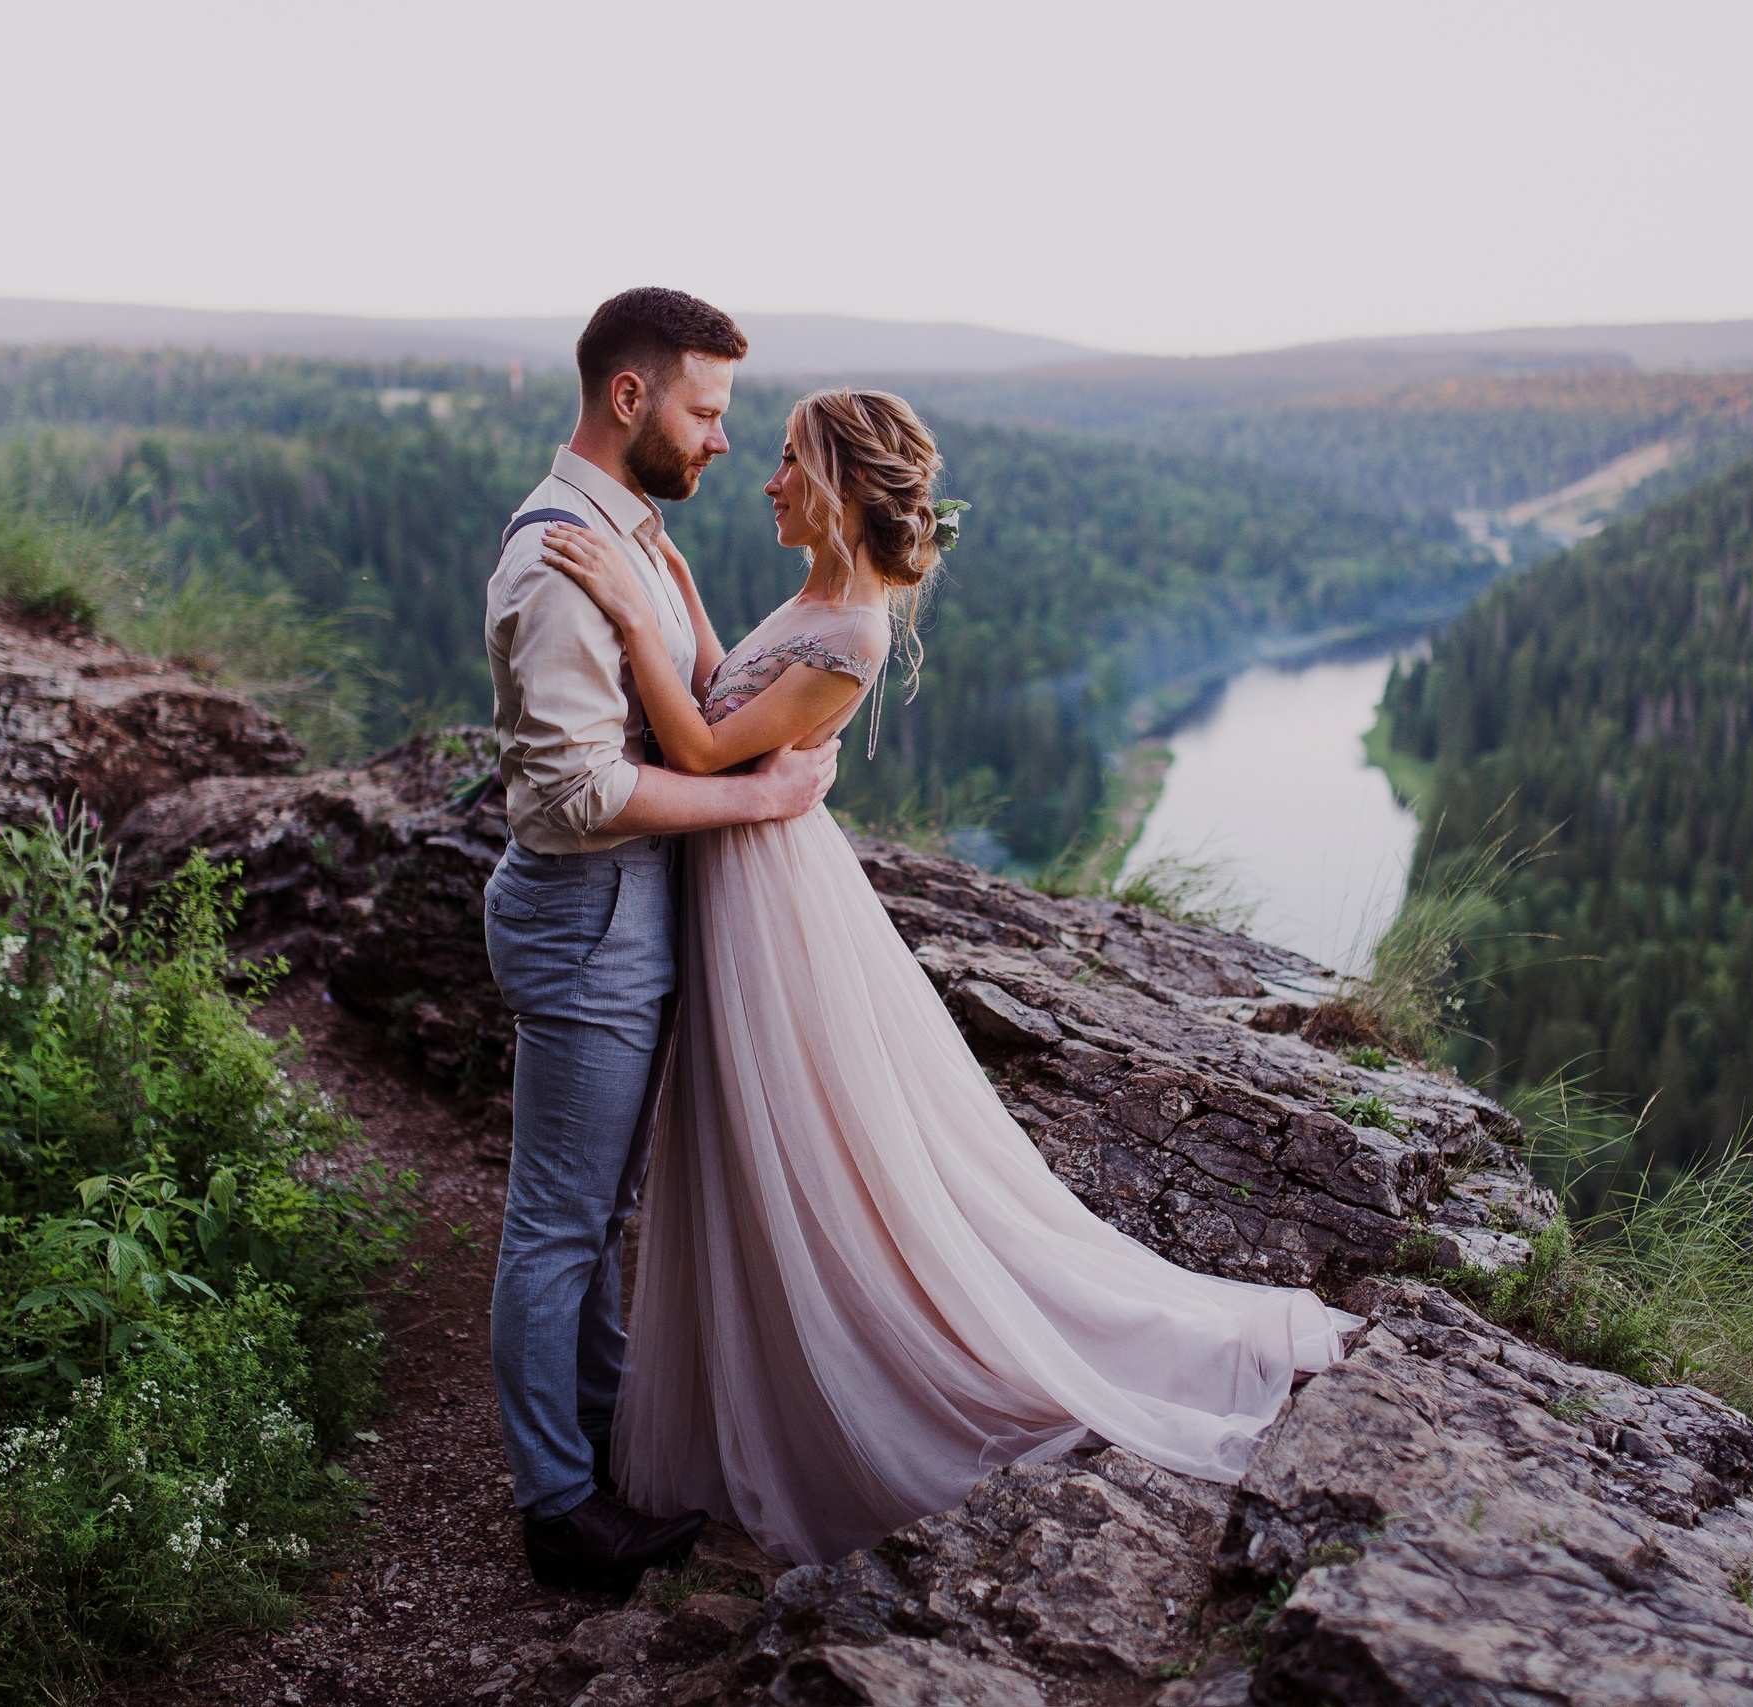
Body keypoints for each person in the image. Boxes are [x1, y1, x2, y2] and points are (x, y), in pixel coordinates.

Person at [534, 388, 1355, 1568]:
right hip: (744, 870)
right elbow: (727, 691)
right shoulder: (817, 597)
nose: (764, 481)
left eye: (784, 464)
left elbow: (707, 747)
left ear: (841, 483)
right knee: (752, 1139)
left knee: (805, 1137)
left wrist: (620, 601)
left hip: (765, 890)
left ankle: (863, 1381)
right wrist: (681, 598)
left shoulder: (858, 629)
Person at [480, 288, 840, 1592]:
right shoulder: (561, 554)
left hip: (621, 910)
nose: (724, 441)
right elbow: (575, 790)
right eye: (706, 408)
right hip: (590, 913)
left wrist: (678, 594)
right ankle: (559, 1506)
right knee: (559, 1222)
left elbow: (685, 694)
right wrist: (751, 797)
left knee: (600, 1206)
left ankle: (600, 1437)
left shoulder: (623, 539)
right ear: (630, 398)